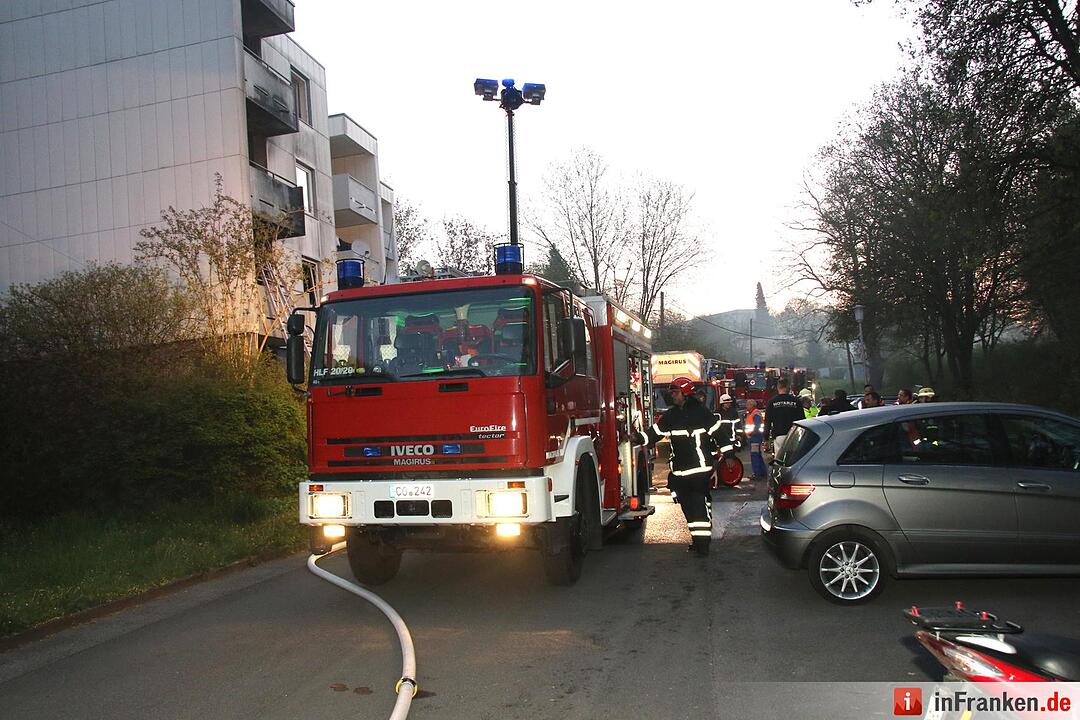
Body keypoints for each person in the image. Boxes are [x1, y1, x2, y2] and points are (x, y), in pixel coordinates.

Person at [635, 377, 727, 556]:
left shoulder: (702, 413)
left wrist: (728, 455)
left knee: (699, 506)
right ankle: (696, 538)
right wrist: (637, 438)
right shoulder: (671, 415)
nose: (672, 396)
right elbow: (655, 432)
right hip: (679, 472)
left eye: (675, 393)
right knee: (687, 507)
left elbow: (719, 434)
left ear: (685, 394)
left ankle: (703, 545)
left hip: (700, 470)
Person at [764, 379, 803, 456]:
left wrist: (766, 439)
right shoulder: (796, 401)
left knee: (779, 459)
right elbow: (802, 420)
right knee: (793, 458)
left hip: (779, 435)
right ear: (788, 387)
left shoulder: (772, 402)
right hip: (794, 435)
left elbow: (767, 422)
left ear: (778, 387)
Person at [745, 398, 766, 481]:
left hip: (755, 438)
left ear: (752, 405)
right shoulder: (753, 413)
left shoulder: (755, 414)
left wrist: (751, 434)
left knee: (755, 456)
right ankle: (762, 472)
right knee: (758, 455)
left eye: (748, 405)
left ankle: (757, 474)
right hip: (755, 437)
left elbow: (756, 427)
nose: (746, 406)